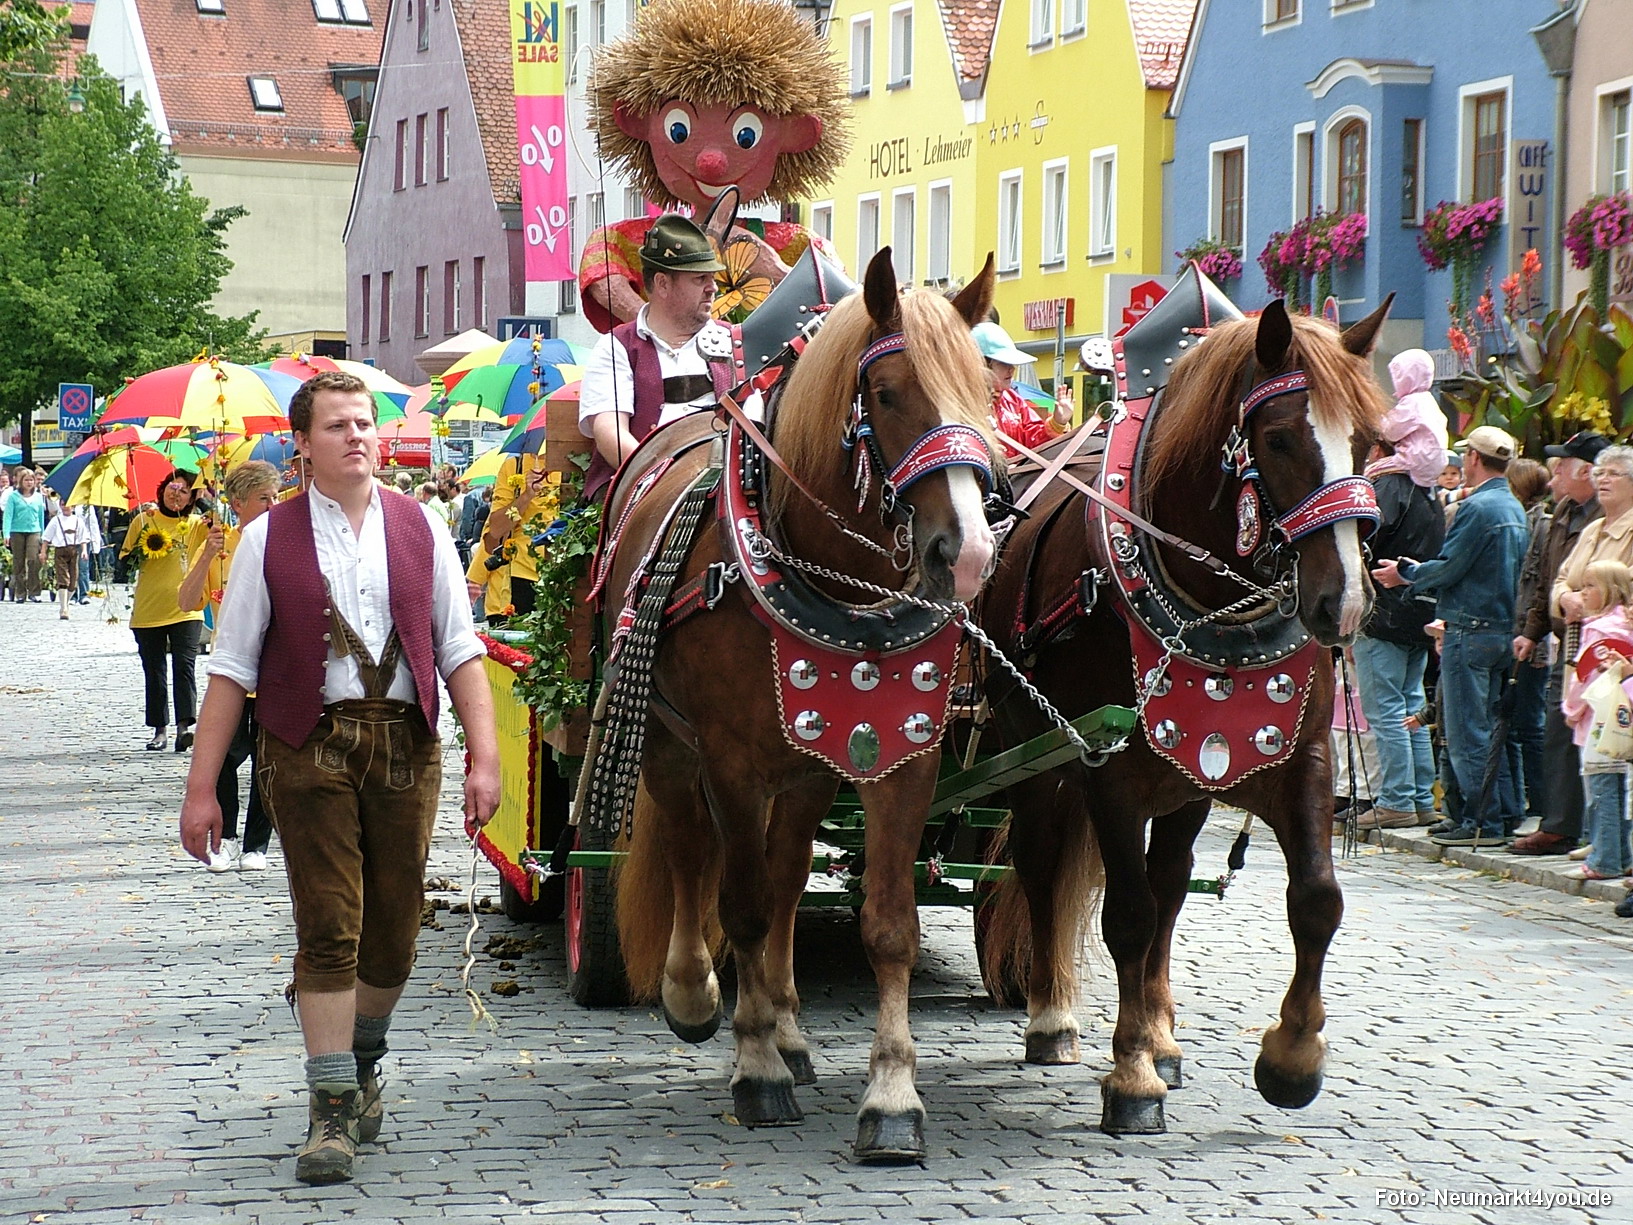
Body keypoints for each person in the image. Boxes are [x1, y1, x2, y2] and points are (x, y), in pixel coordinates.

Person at [178, 371, 500, 1186]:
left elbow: (459, 646)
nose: (357, 435)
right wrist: (201, 786)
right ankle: (328, 1113)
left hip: (405, 746)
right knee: (329, 924)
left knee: (394, 926)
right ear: (303, 444)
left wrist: (485, 755)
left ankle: (361, 1059)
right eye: (337, 425)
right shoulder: (267, 538)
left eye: (365, 423)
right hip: (306, 744)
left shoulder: (422, 523)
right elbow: (230, 667)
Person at [1372, 426, 1529, 847]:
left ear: (1473, 459)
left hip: (1470, 630)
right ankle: (1499, 815)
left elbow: (1448, 567)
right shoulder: (1513, 507)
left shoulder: (1477, 508)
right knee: (1497, 731)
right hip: (1500, 630)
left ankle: (1483, 823)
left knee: (1466, 733)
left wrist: (1404, 574)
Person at [177, 461, 281, 873]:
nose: (273, 506)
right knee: (221, 759)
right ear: (237, 503)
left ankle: (258, 845)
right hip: (234, 673)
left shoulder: (287, 539)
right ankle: (226, 837)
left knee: (267, 762)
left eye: (276, 497)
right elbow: (186, 602)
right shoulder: (220, 542)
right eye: (263, 499)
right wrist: (207, 554)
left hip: (275, 670)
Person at [1510, 432, 1609, 855]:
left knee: (1597, 737)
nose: (1554, 478)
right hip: (1562, 635)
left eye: (1562, 467)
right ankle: (1560, 823)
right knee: (1558, 729)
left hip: (1600, 639)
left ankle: (1593, 832)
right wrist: (1531, 631)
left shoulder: (1606, 516)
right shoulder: (1564, 512)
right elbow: (1545, 576)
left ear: (1586, 471)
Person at [1350, 432, 1445, 828]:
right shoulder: (1428, 488)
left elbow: (1362, 537)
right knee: (1408, 707)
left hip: (1384, 612)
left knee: (1386, 710)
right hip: (1416, 610)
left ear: (1378, 448)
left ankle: (1397, 800)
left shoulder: (1386, 485)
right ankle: (1421, 798)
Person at [120, 471, 206, 751]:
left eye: (184, 490)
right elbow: (125, 563)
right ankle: (160, 730)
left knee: (185, 667)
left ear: (192, 497)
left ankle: (185, 728)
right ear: (162, 490)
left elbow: (221, 532)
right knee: (154, 671)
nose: (176, 494)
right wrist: (142, 550)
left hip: (187, 608)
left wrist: (206, 503)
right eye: (172, 488)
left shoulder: (196, 525)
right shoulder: (144, 520)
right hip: (149, 608)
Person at [1560, 560, 1633, 882]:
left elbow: (1584, 682)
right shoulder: (1620, 627)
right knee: (1619, 794)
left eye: (1590, 586)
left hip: (1598, 723)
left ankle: (1604, 859)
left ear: (1612, 591)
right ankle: (1621, 856)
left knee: (1601, 792)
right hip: (1620, 723)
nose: (1582, 593)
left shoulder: (1600, 631)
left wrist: (1570, 709)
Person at [974, 321, 1074, 458]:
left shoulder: (1013, 399)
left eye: (1011, 363)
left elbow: (1033, 442)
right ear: (982, 364)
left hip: (1015, 477)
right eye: (1003, 363)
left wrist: (1058, 422)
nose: (1012, 369)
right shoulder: (961, 402)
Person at [39, 498, 94, 620]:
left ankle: (66, 602)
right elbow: (46, 537)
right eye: (63, 505)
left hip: (74, 551)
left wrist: (84, 551)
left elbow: (83, 538)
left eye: (68, 505)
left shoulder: (78, 521)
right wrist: (43, 551)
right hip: (60, 551)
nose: (65, 507)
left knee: (73, 581)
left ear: (73, 506)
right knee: (63, 578)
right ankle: (63, 608)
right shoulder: (56, 520)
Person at [4, 467, 48, 602]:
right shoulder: (13, 496)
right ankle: (20, 592)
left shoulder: (38, 497)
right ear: (21, 481)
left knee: (33, 560)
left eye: (31, 480)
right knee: (18, 562)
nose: (29, 483)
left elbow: (41, 516)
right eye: (26, 480)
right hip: (17, 531)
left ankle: (34, 591)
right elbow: (8, 515)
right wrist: (6, 533)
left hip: (34, 531)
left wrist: (43, 534)